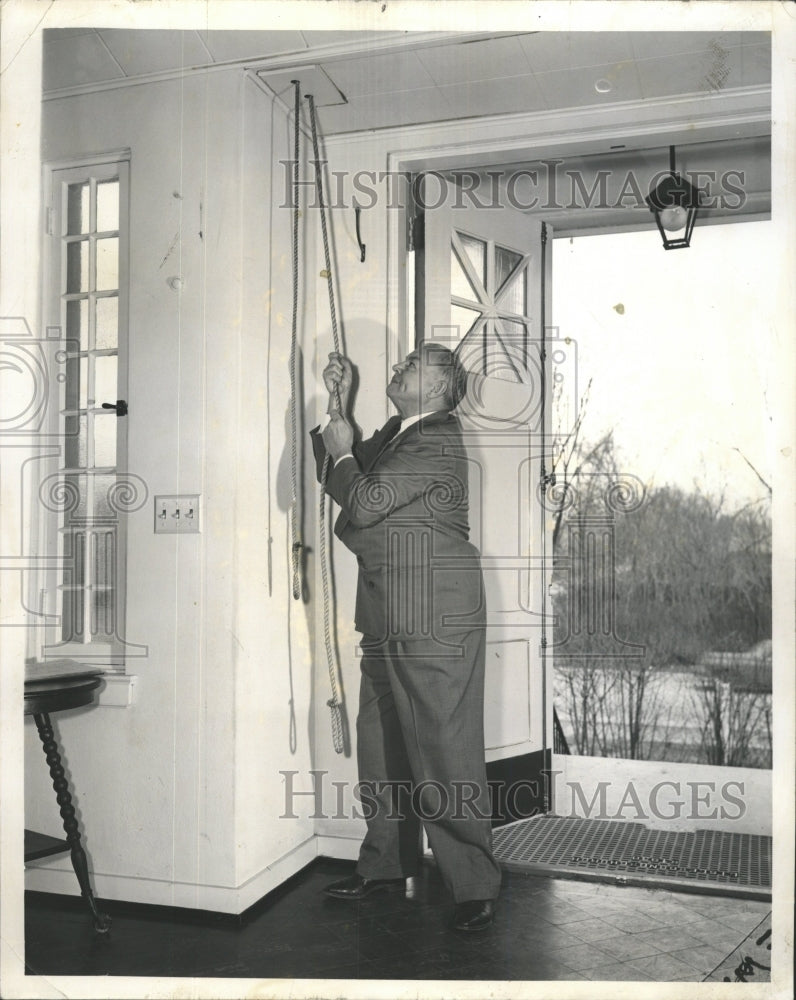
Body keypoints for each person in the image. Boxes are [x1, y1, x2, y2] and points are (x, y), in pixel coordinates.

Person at [310, 341, 501, 932]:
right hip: (388, 612)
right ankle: (386, 865)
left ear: (442, 386)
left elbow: (363, 502)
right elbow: (336, 471)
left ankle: (473, 884)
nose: (399, 364)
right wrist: (336, 405)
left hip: (434, 617)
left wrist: (349, 471)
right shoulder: (398, 431)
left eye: (414, 363)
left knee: (445, 747)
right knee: (383, 743)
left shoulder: (438, 437)